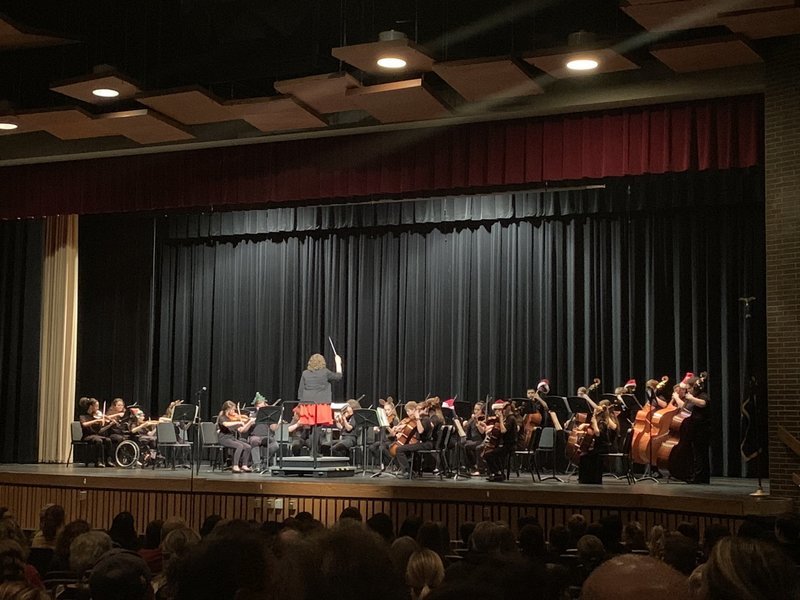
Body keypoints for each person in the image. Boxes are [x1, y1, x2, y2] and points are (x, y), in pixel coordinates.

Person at [672, 374, 710, 483]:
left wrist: (692, 399)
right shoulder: (691, 397)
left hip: (702, 428)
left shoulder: (702, 395)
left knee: (701, 454)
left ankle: (701, 477)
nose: (687, 391)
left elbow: (703, 403)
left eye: (689, 388)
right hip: (694, 428)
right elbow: (683, 407)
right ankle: (697, 475)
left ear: (694, 387)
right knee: (696, 453)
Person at [578, 401, 618, 484]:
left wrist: (595, 422)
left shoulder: (607, 419)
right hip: (598, 446)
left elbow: (597, 433)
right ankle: (586, 480)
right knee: (583, 455)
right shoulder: (600, 419)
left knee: (588, 456)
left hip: (605, 446)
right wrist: (586, 424)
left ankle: (592, 480)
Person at [395, 401, 434, 477]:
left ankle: (407, 472)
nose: (417, 412)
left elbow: (420, 430)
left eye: (419, 410)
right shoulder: (422, 419)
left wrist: (417, 418)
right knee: (402, 448)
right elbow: (413, 428)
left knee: (399, 450)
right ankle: (412, 470)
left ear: (424, 410)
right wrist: (402, 427)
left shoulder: (426, 419)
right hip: (421, 443)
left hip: (426, 444)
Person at [216, 401, 254, 473]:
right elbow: (226, 424)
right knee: (239, 446)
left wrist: (249, 422)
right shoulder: (222, 417)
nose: (234, 411)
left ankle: (244, 465)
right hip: (224, 438)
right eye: (233, 409)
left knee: (248, 447)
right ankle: (235, 466)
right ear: (228, 409)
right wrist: (238, 422)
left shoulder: (233, 418)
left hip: (232, 438)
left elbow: (241, 430)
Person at [77, 397, 114, 467]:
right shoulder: (83, 416)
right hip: (87, 436)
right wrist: (95, 421)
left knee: (108, 440)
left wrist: (109, 425)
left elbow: (100, 431)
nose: (97, 408)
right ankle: (98, 461)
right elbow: (84, 424)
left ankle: (108, 460)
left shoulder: (97, 416)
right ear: (91, 406)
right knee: (99, 441)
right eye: (96, 406)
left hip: (96, 435)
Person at [246, 394, 280, 469]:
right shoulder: (252, 415)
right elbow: (245, 429)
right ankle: (257, 464)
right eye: (258, 406)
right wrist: (250, 422)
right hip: (255, 436)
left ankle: (265, 461)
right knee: (254, 440)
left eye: (261, 406)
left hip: (267, 436)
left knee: (275, 445)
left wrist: (277, 419)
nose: (260, 408)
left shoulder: (269, 415)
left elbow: (273, 428)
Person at [460, 402, 486, 476]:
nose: (476, 411)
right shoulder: (472, 418)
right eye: (475, 409)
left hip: (480, 440)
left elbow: (482, 432)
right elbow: (466, 427)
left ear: (482, 410)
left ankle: (474, 466)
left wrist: (477, 422)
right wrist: (465, 424)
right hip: (473, 440)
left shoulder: (483, 418)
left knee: (466, 445)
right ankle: (468, 466)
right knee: (461, 444)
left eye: (478, 409)